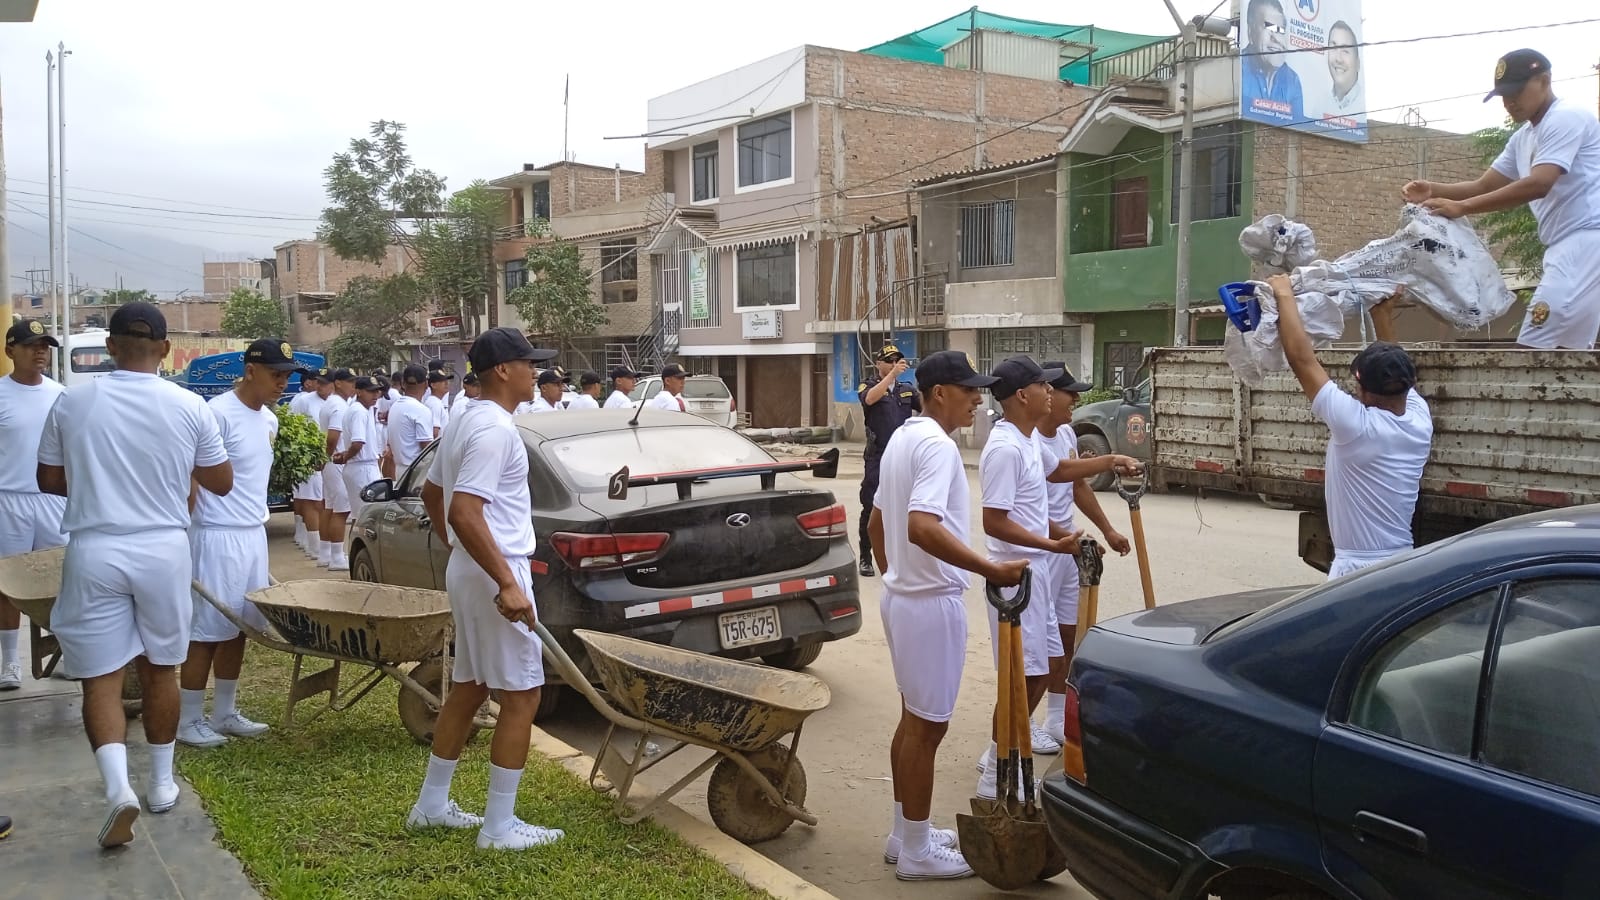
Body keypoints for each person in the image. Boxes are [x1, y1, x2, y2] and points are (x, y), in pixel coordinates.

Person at [36, 301, 232, 848]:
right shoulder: (190, 405)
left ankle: (117, 787)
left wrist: (99, 484)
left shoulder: (72, 401)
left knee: (100, 676)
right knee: (161, 667)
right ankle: (163, 782)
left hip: (94, 547)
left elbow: (48, 480)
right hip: (163, 548)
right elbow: (221, 481)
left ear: (111, 346)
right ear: (166, 349)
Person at [865, 350, 1026, 881]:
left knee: (913, 721)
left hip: (905, 600)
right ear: (939, 393)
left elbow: (876, 526)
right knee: (927, 729)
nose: (978, 400)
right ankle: (916, 851)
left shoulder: (902, 438)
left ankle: (904, 833)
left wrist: (898, 577)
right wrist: (990, 569)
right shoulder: (936, 446)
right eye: (969, 390)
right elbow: (921, 527)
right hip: (928, 605)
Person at [407, 327, 564, 852]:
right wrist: (503, 579)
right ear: (502, 370)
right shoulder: (494, 430)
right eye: (528, 364)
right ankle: (499, 827)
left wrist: (462, 552)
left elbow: (433, 495)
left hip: (474, 566)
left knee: (471, 686)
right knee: (523, 695)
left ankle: (431, 806)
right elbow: (463, 510)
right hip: (498, 569)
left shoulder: (465, 418)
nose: (535, 372)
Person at [1404, 49, 1600, 350]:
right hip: (1568, 246)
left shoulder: (1566, 117)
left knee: (1531, 351)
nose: (1509, 102)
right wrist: (1433, 190)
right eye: (1503, 96)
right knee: (1567, 357)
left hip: (1585, 241)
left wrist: (1461, 208)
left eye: (1516, 92)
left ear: (1544, 80)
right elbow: (1483, 185)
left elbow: (1539, 184)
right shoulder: (1523, 138)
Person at [178, 339, 305, 749]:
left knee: (240, 627)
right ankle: (188, 719)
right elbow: (191, 474)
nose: (282, 383)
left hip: (252, 533)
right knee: (206, 630)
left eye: (286, 376)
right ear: (250, 370)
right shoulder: (216, 414)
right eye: (275, 374)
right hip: (216, 535)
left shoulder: (269, 420)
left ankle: (224, 712)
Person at [1271, 275, 1432, 578]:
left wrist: (1283, 293)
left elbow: (1302, 360)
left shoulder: (1358, 428)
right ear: (1408, 383)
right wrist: (1382, 315)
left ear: (1363, 391)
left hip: (1359, 571)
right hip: (1402, 561)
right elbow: (1395, 365)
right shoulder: (1418, 418)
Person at [975, 356, 1083, 799]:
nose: (1051, 391)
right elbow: (994, 521)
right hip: (1014, 577)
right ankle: (995, 773)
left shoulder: (1029, 440)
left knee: (1044, 670)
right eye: (1043, 385)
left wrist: (1058, 537)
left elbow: (1052, 485)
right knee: (1021, 677)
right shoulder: (1005, 448)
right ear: (1023, 395)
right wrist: (1050, 545)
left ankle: (1001, 756)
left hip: (1034, 570)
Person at [1032, 365, 1136, 746]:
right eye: (1069, 392)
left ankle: (1056, 715)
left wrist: (1107, 529)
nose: (1076, 399)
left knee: (1066, 635)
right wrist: (1069, 539)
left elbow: (1077, 485)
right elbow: (1023, 515)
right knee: (1035, 647)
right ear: (1047, 393)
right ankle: (1020, 721)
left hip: (1067, 548)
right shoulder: (1027, 442)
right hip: (1039, 550)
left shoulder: (1065, 434)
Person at [0, 319, 66, 692]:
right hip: (9, 499)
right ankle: (10, 662)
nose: (40, 352)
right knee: (8, 584)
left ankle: (64, 652)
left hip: (52, 498)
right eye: (31, 345)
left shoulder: (61, 395)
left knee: (61, 579)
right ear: (11, 351)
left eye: (44, 346)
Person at [857, 343, 921, 578]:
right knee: (871, 506)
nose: (894, 364)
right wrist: (891, 376)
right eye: (889, 361)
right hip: (878, 455)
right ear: (878, 364)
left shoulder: (907, 389)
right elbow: (869, 399)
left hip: (902, 455)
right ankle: (866, 557)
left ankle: (900, 556)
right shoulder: (868, 385)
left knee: (905, 505)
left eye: (897, 361)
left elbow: (926, 408)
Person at [317, 369, 356, 571]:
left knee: (330, 506)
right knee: (341, 509)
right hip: (336, 459)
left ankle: (325, 553)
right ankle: (337, 557)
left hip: (331, 461)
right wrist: (326, 457)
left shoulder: (331, 402)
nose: (353, 386)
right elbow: (333, 437)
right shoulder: (339, 405)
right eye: (350, 382)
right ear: (338, 383)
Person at [1240, 0, 1303, 126]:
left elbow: (1298, 130)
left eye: (1280, 30)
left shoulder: (1292, 81)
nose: (1276, 39)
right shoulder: (1239, 69)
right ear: (1250, 32)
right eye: (1269, 27)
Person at [339, 377, 386, 522]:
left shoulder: (362, 409)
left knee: (363, 515)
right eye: (371, 391)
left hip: (361, 466)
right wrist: (346, 457)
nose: (375, 395)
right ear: (359, 392)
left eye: (377, 391)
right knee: (368, 516)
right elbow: (357, 443)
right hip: (362, 467)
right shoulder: (359, 411)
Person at [287, 371, 324, 555]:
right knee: (309, 499)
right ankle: (311, 543)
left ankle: (307, 538)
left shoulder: (332, 401)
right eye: (318, 381)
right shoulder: (302, 400)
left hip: (326, 457)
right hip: (309, 456)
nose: (321, 385)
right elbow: (293, 426)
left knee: (316, 499)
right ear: (309, 383)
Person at [388, 365, 436, 474]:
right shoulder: (421, 410)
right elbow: (426, 447)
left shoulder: (395, 406)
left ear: (403, 383)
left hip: (400, 469)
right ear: (426, 384)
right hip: (416, 470)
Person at [1324, 20, 1361, 117]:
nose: (1338, 59)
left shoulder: (1361, 110)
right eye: (1333, 48)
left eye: (1345, 51)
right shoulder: (1320, 107)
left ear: (1358, 63)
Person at [426, 371, 453, 436]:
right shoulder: (435, 403)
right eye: (442, 381)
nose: (446, 383)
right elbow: (435, 433)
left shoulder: (435, 401)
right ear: (433, 385)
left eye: (446, 381)